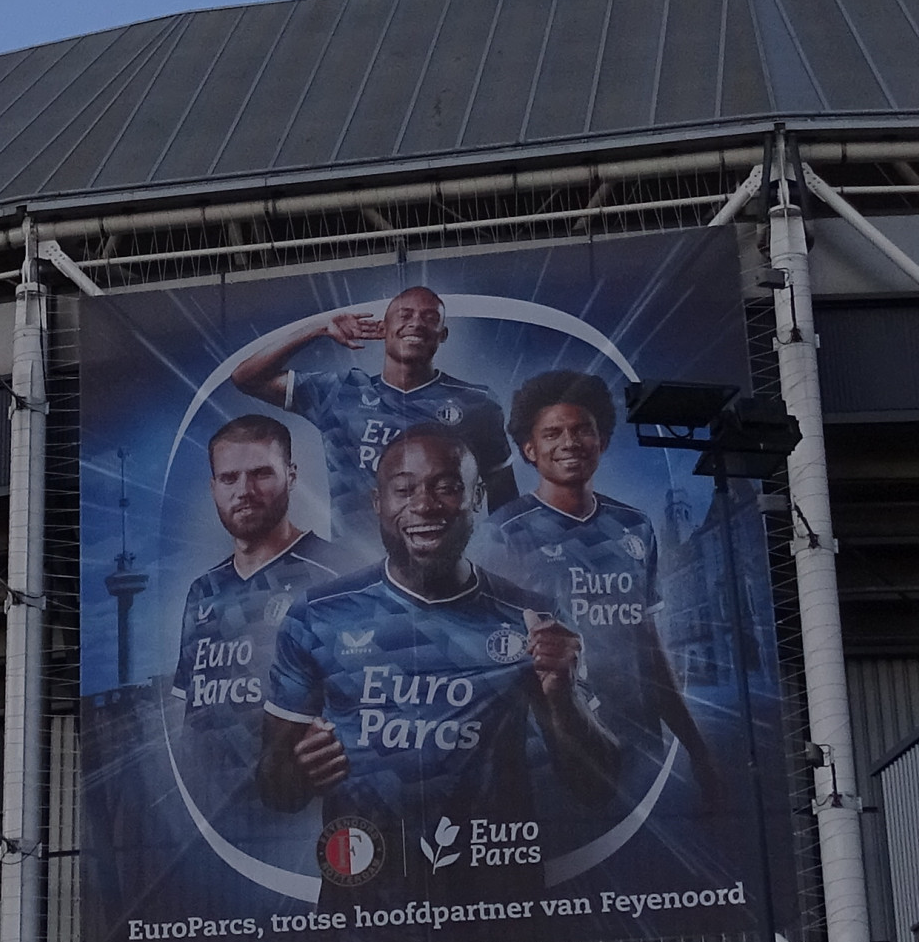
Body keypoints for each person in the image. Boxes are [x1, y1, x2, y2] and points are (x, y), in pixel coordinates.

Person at [256, 425, 638, 897]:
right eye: (404, 489)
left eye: (447, 486)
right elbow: (275, 787)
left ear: (477, 498)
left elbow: (597, 788)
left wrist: (562, 698)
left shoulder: (531, 618)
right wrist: (297, 770)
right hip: (363, 907)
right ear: (378, 503)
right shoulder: (317, 615)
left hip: (497, 908)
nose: (424, 504)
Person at [481, 368, 712, 777]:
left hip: (638, 740)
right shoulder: (504, 532)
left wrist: (699, 751)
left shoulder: (634, 526)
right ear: (530, 449)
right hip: (554, 752)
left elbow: (650, 648)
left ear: (601, 441)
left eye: (581, 430)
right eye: (552, 434)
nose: (569, 443)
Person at [228, 283, 515, 544]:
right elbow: (246, 378)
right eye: (404, 315)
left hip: (441, 574)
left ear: (443, 334)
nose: (416, 323)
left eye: (429, 317)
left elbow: (505, 502)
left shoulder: (477, 403)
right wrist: (318, 328)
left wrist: (502, 562)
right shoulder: (340, 393)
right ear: (384, 327)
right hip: (356, 571)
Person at [168, 416, 349, 800]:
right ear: (213, 487)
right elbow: (190, 719)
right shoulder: (204, 590)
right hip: (212, 818)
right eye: (230, 478)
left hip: (304, 815)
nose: (245, 491)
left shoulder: (339, 574)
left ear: (292, 476)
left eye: (261, 474)